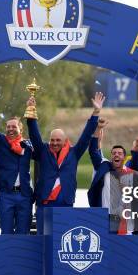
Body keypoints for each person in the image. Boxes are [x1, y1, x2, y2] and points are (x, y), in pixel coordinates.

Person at [27, 92, 104, 234]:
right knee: (42, 240)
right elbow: (34, 135)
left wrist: (96, 112)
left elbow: (86, 136)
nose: (55, 143)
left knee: (63, 241)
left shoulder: (74, 152)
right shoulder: (43, 151)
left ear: (64, 141)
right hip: (44, 204)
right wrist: (31, 113)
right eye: (52, 140)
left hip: (66, 204)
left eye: (58, 140)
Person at [0, 97, 34, 234]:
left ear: (20, 129)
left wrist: (31, 111)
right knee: (6, 231)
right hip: (6, 194)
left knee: (23, 232)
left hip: (24, 195)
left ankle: (21, 256)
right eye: (8, 127)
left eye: (14, 126)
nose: (10, 129)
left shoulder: (27, 146)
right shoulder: (0, 141)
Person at [87, 118, 134, 233]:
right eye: (114, 153)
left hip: (119, 218)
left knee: (117, 247)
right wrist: (98, 128)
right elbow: (93, 150)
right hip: (102, 215)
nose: (116, 155)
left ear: (124, 157)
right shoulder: (104, 166)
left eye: (119, 153)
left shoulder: (130, 174)